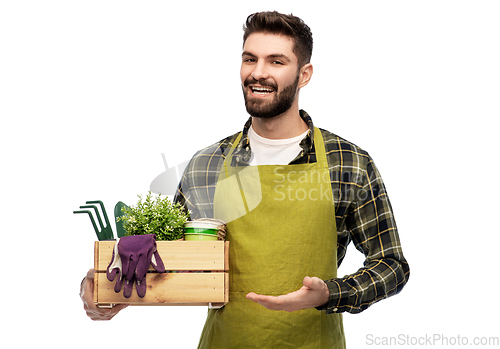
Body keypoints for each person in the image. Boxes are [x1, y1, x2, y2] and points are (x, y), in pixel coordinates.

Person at [81, 11, 410, 348]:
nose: (258, 72)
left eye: (276, 61)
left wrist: (329, 293)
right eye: (250, 59)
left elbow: (392, 266)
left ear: (304, 74)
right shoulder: (207, 164)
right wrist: (109, 288)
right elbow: (169, 261)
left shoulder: (348, 162)